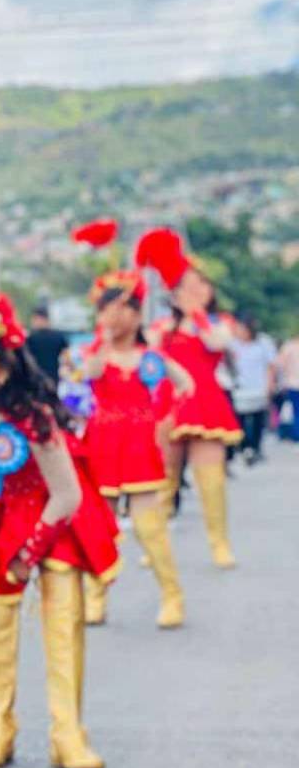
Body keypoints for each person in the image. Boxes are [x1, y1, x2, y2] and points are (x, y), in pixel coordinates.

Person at [0, 287, 115, 768]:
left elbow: (67, 494)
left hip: (55, 516)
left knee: (64, 615)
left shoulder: (36, 417)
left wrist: (29, 553)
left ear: (4, 368)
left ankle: (68, 732)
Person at [80, 272, 193, 628]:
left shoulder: (150, 357)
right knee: (102, 526)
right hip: (103, 444)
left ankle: (172, 596)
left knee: (149, 527)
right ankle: (96, 595)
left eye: (124, 309)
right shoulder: (96, 354)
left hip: (139, 447)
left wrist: (169, 417)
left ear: (138, 313)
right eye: (108, 309)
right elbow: (90, 372)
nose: (116, 316)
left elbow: (186, 384)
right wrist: (104, 337)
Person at [138, 228, 241, 569]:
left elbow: (217, 343)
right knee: (163, 480)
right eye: (188, 286)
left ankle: (220, 544)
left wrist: (196, 314)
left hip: (207, 403)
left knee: (211, 480)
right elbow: (146, 356)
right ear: (175, 291)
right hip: (170, 406)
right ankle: (155, 545)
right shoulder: (162, 328)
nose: (195, 291)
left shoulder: (218, 323)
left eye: (201, 285)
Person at [229, 313, 275, 466]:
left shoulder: (263, 342)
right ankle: (244, 446)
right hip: (238, 388)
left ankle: (255, 448)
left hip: (259, 387)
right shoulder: (232, 343)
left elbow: (270, 366)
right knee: (238, 420)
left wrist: (269, 385)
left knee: (257, 419)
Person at [25, 305, 68, 383]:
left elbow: (26, 359)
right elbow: (66, 359)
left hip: (35, 379)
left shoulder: (30, 338)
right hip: (53, 379)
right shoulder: (59, 336)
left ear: (38, 318)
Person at [276, 329, 299, 442]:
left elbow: (280, 365)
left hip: (292, 384)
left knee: (296, 411)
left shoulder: (288, 347)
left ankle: (296, 435)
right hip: (292, 384)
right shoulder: (289, 347)